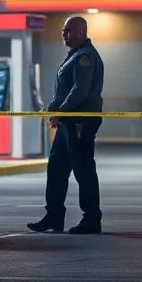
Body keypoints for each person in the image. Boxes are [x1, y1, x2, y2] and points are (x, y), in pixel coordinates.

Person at [28, 16, 105, 234]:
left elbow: (79, 91)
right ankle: (54, 215)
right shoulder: (74, 56)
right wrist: (54, 109)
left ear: (81, 32)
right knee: (56, 168)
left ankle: (91, 219)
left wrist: (59, 111)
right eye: (63, 31)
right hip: (68, 121)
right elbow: (63, 89)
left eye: (68, 31)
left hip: (79, 122)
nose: (63, 35)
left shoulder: (85, 57)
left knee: (83, 170)